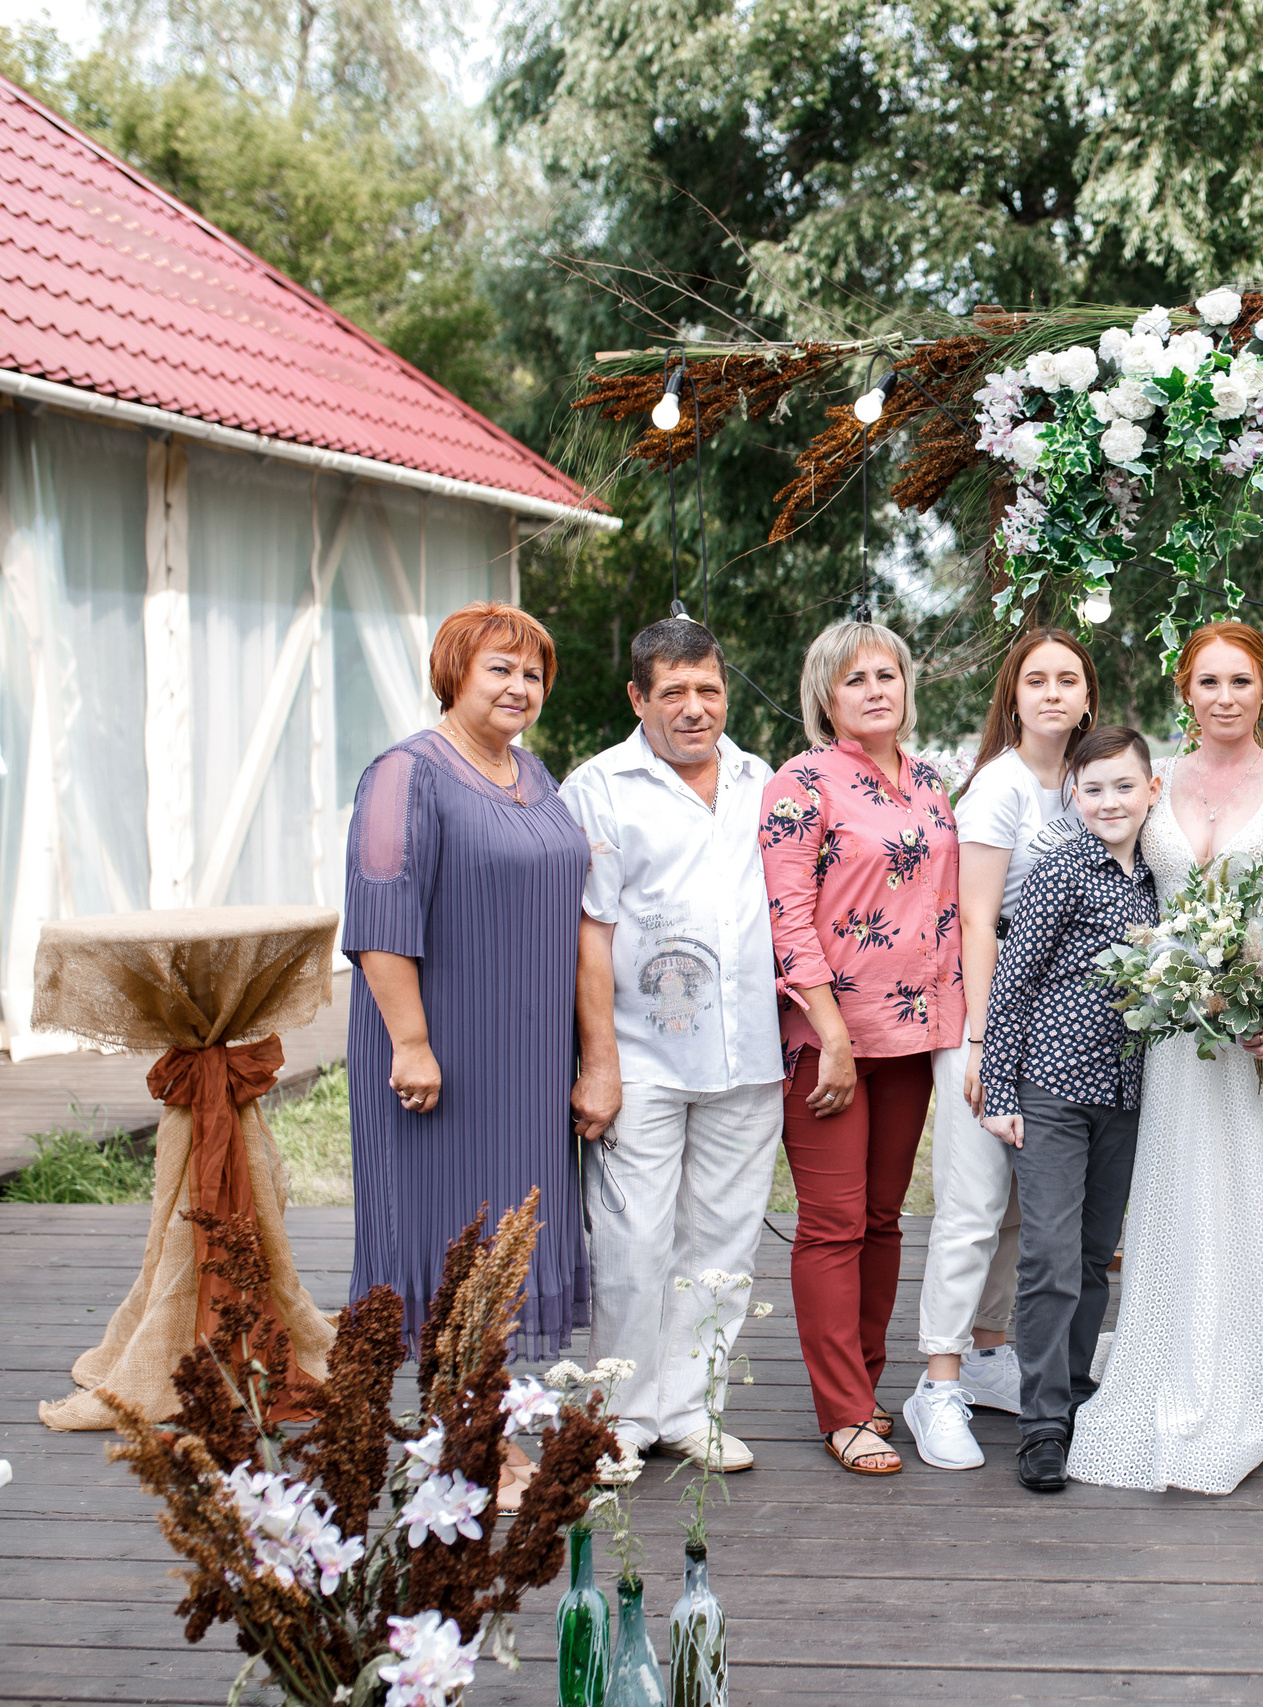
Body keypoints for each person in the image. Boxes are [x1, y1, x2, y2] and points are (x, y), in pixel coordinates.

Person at [1066, 621, 1263, 1495]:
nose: (1223, 696)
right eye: (1207, 681)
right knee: (1188, 1185)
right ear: (1184, 690)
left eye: (1240, 681)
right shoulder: (1154, 783)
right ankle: (1184, 1348)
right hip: (1179, 1035)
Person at [342, 600, 587, 1510]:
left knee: (509, 1243)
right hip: (440, 1055)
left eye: (532, 674)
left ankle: (486, 1430)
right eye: (500, 669)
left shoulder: (533, 771)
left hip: (526, 1062)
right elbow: (377, 920)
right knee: (453, 1242)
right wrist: (410, 1042)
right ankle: (465, 1444)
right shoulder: (406, 772)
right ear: (454, 671)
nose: (520, 687)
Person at [561, 616, 781, 1485]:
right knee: (631, 1243)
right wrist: (599, 1062)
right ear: (638, 698)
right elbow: (591, 931)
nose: (695, 709)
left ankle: (691, 1407)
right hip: (641, 1057)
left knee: (722, 1244)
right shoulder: (600, 787)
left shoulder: (762, 780)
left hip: (747, 1056)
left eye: (709, 690)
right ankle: (617, 1417)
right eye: (674, 693)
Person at [760, 619, 965, 1477]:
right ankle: (841, 1410)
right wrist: (831, 1032)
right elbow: (789, 916)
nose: (877, 689)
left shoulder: (931, 782)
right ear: (826, 698)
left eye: (889, 673)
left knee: (883, 1221)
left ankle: (866, 1387)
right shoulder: (799, 782)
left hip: (914, 1036)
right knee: (835, 1223)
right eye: (856, 680)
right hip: (831, 1037)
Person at [906, 628, 1099, 1471]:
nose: (1052, 692)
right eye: (1036, 680)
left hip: (1066, 1014)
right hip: (991, 1009)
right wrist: (986, 1038)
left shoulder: (1083, 784)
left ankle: (991, 1353)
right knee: (975, 1203)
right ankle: (937, 1380)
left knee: (1028, 1209)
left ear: (1088, 695)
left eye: (1068, 679)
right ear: (1013, 697)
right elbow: (980, 918)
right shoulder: (1000, 786)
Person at [976, 727, 1162, 1493]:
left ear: (1153, 789)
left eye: (1124, 786)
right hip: (1052, 1088)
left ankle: (1079, 1389)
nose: (1110, 801)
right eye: (1094, 788)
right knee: (1049, 1255)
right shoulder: (1060, 873)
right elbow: (1014, 979)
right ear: (1073, 797)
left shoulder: (1160, 879)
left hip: (1126, 1092)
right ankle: (1042, 1422)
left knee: (1092, 1255)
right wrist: (999, 1087)